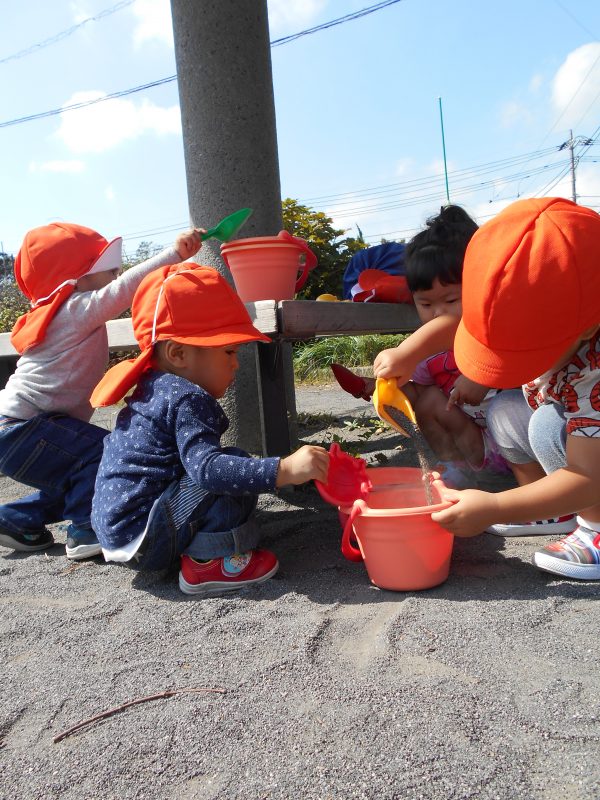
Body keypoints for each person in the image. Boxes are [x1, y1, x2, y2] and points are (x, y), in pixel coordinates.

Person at [393, 197, 600, 581]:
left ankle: (596, 530)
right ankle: (552, 508)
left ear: (586, 328)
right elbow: (455, 319)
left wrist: (496, 507)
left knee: (552, 431)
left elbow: (590, 476)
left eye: (516, 349)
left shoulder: (593, 374)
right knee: (540, 424)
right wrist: (408, 353)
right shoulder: (560, 321)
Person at [90, 263, 329, 596]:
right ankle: (211, 563)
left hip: (118, 530)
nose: (235, 363)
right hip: (146, 534)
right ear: (178, 353)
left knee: (224, 468)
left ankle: (195, 548)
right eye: (229, 351)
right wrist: (283, 470)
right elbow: (208, 472)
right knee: (228, 467)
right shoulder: (187, 396)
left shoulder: (154, 387)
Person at [0, 222, 202, 560]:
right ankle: (84, 528)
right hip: (25, 427)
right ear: (76, 279)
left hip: (16, 429)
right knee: (104, 453)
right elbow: (122, 291)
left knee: (74, 474)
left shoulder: (56, 316)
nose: (114, 275)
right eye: (108, 271)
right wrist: (175, 255)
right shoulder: (75, 309)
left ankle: (15, 520)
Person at [333, 205, 508, 488]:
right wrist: (386, 390)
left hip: (516, 443)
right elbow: (418, 390)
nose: (439, 313)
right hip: (479, 450)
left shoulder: (498, 332)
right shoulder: (429, 352)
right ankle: (459, 469)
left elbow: (519, 372)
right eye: (425, 304)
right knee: (427, 399)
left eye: (451, 301)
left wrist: (482, 375)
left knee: (508, 410)